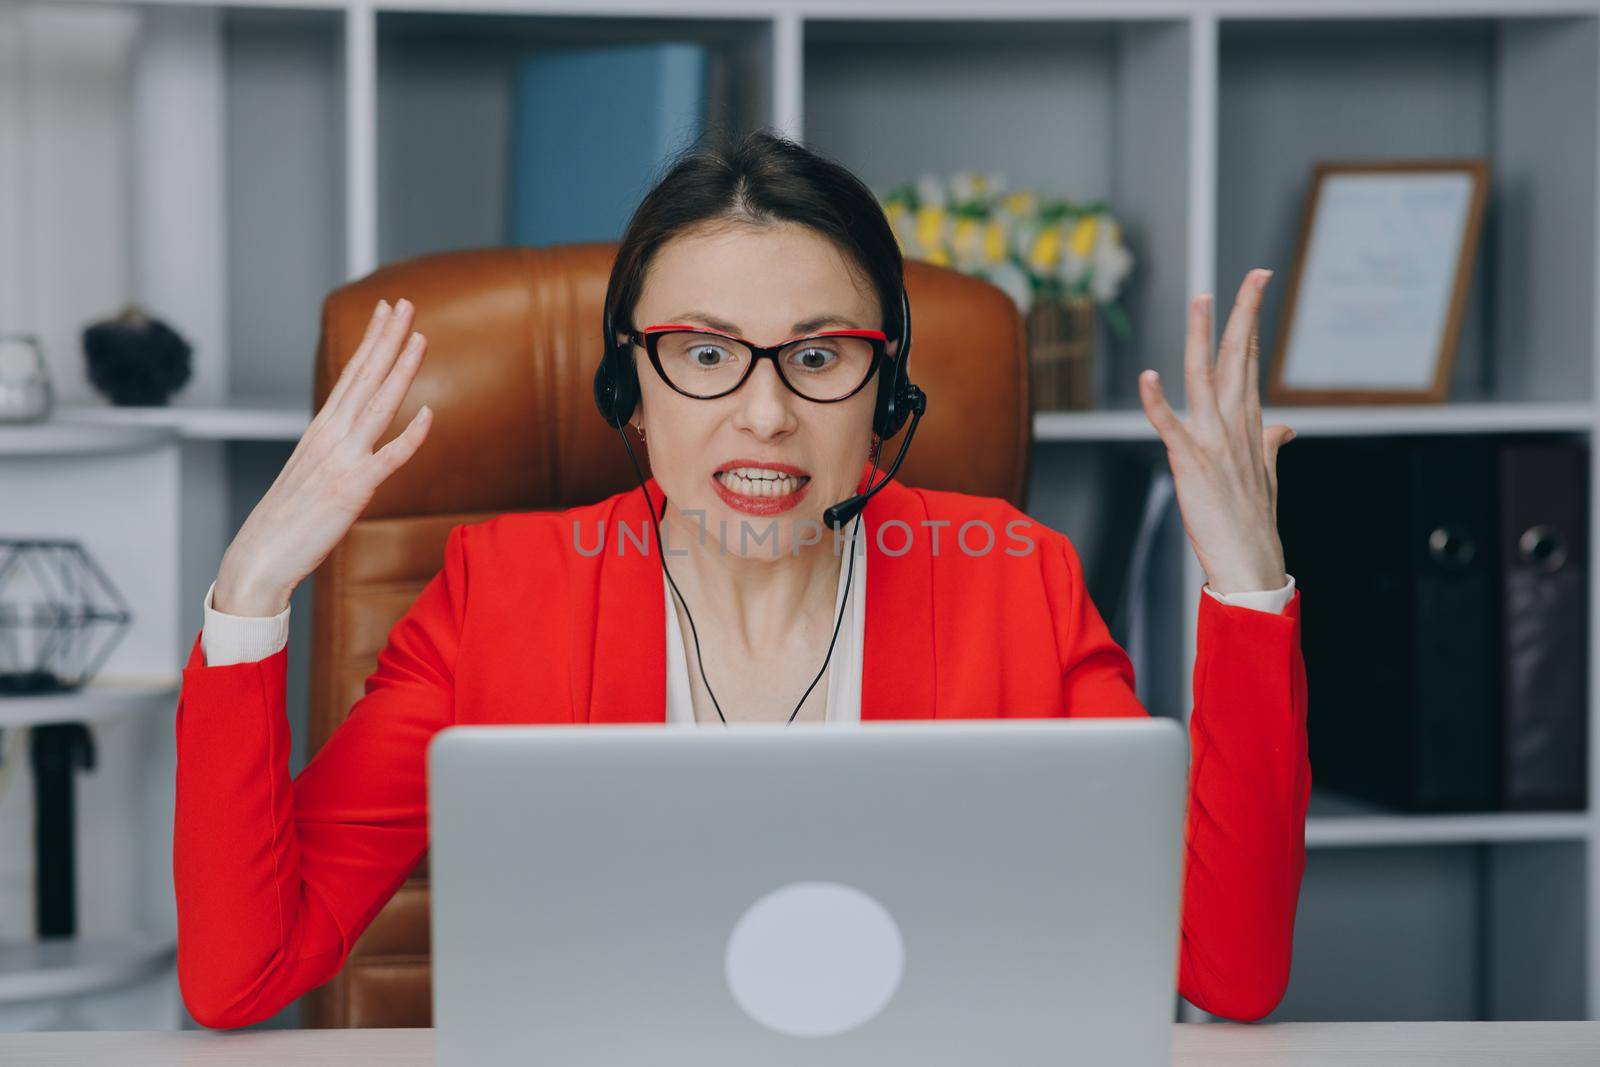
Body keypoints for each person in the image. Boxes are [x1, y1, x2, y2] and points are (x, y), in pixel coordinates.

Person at [172, 129, 1307, 1029]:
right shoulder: (496, 590)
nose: (763, 414)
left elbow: (1228, 969)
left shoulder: (1015, 580)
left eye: (818, 356)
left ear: (886, 391)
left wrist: (1247, 583)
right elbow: (244, 971)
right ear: (633, 384)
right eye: (706, 353)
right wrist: (250, 590)